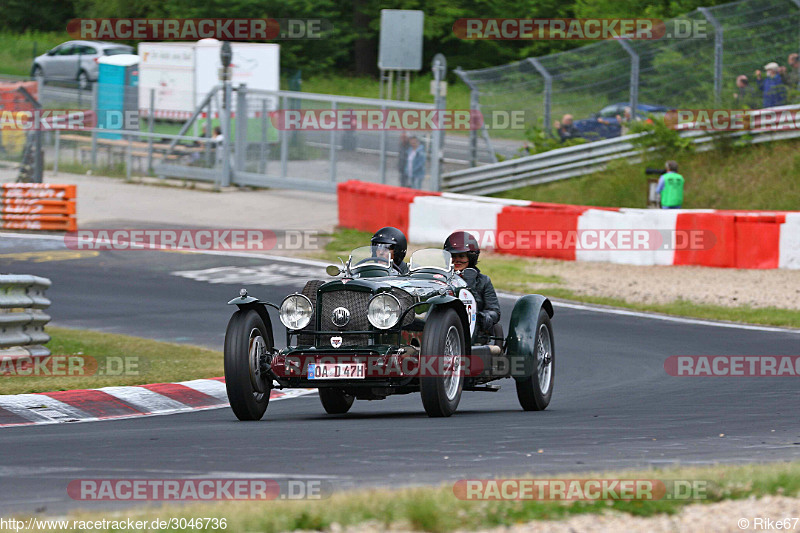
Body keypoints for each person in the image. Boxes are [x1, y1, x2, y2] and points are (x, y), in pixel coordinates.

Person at [443, 231, 500, 340]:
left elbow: (494, 311)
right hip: (444, 327)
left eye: (461, 256)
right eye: (453, 256)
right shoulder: (442, 279)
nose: (457, 260)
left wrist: (483, 317)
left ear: (471, 257)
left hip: (475, 332)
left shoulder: (483, 281)